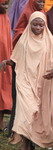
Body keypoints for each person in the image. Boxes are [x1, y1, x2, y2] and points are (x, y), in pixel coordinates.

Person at [0, 11, 53, 150]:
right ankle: (26, 144)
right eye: (35, 24)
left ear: (45, 26)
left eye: (41, 25)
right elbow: (16, 59)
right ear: (30, 24)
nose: (38, 28)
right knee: (26, 112)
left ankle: (32, 141)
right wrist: (7, 62)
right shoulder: (23, 41)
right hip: (25, 81)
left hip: (43, 83)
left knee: (38, 114)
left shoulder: (50, 41)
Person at [0, 0, 12, 133]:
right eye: (3, 3)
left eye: (7, 3)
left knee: (3, 90)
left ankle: (1, 121)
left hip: (5, 60)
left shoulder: (6, 18)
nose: (6, 6)